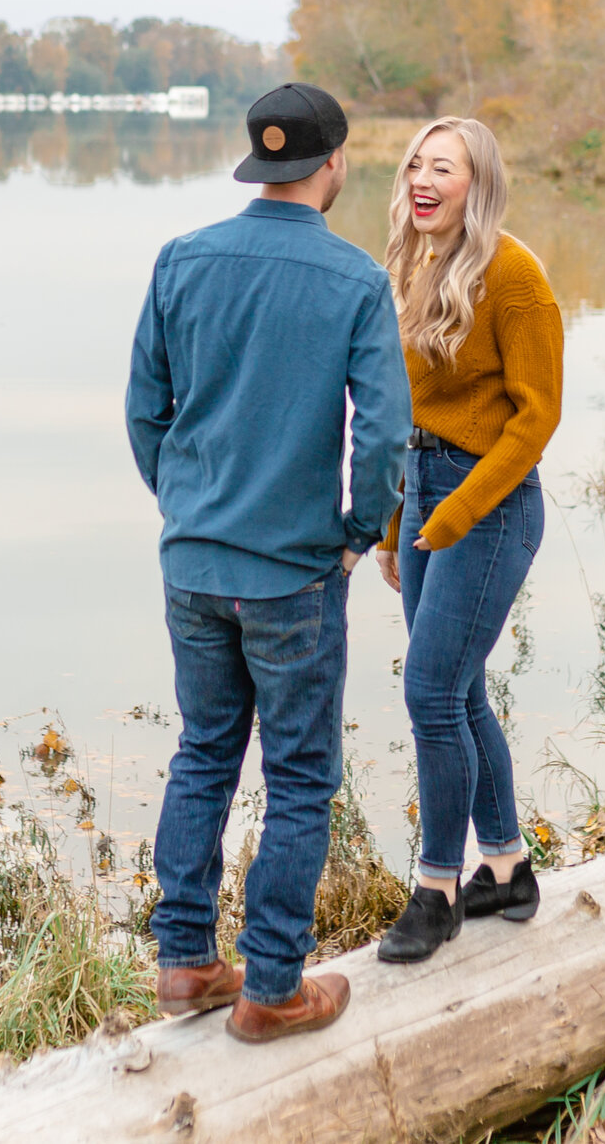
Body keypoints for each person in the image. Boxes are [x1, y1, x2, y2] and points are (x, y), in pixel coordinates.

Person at [126, 81, 410, 1042]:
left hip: (194, 562)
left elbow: (144, 412)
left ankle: (186, 962)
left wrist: (191, 509)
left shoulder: (182, 259)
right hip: (291, 571)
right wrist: (357, 532)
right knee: (296, 778)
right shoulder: (358, 280)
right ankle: (273, 986)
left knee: (203, 752)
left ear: (260, 159)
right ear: (333, 165)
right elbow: (381, 438)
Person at [372, 116, 563, 964]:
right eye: (415, 161)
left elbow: (537, 417)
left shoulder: (515, 274)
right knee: (458, 687)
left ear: (475, 183)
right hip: (422, 493)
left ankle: (438, 888)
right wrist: (394, 523)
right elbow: (403, 413)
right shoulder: (414, 263)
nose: (421, 176)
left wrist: (451, 518)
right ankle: (509, 865)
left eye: (440, 166)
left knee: (429, 691)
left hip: (491, 504)